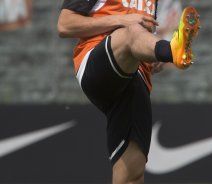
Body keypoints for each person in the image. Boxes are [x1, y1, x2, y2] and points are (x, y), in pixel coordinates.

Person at [57, 0, 200, 183]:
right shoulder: (128, 23)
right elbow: (65, 24)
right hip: (95, 62)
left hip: (135, 77)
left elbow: (143, 39)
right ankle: (171, 50)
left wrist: (156, 59)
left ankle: (170, 52)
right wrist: (122, 20)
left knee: (132, 176)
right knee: (131, 31)